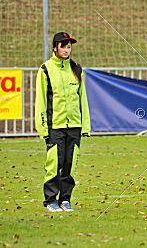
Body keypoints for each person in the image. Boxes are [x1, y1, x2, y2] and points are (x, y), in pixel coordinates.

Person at [35, 32, 90, 212]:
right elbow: (41, 101)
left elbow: (83, 100)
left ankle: (65, 199)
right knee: (54, 164)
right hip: (55, 127)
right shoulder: (45, 69)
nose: (66, 50)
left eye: (69, 47)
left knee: (70, 164)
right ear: (55, 47)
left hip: (74, 126)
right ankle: (50, 200)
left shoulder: (76, 69)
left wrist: (85, 125)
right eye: (63, 46)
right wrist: (43, 128)